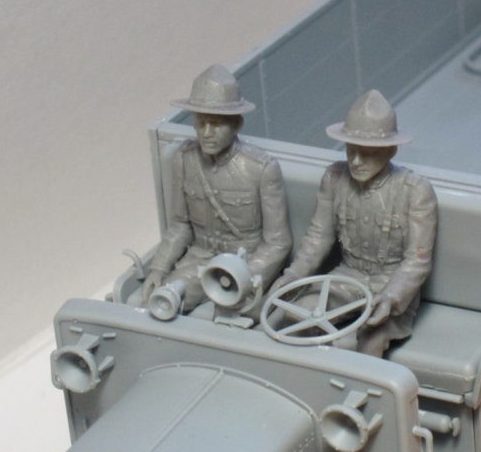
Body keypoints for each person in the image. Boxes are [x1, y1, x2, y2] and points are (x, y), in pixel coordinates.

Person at [269, 90, 437, 356]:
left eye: (368, 153)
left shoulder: (414, 191)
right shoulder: (334, 179)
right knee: (296, 317)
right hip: (346, 277)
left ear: (390, 150)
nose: (357, 162)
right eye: (351, 151)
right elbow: (318, 237)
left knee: (371, 338)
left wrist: (391, 297)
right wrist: (293, 275)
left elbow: (417, 261)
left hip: (390, 283)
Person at [141, 64, 292, 313]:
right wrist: (159, 268)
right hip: (198, 260)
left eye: (216, 124)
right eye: (201, 123)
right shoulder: (185, 160)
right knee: (160, 303)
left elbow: (278, 242)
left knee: (234, 321)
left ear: (236, 124)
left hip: (244, 264)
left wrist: (247, 275)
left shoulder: (261, 169)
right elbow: (180, 226)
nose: (207, 133)